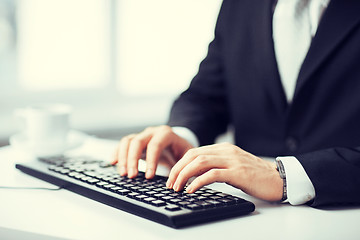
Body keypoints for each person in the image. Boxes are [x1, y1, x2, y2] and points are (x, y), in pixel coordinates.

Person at [112, 0, 360, 207]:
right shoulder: (239, 4)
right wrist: (182, 135)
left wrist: (284, 176)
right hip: (250, 216)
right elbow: (206, 94)